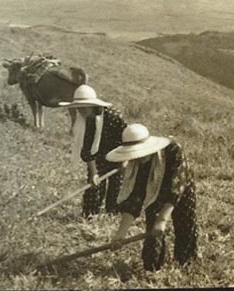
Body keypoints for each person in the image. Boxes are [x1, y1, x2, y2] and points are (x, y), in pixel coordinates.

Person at [105, 123, 198, 271]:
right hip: (153, 190)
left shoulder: (174, 150)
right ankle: (153, 267)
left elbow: (176, 188)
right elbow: (135, 198)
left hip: (180, 185)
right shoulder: (136, 164)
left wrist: (163, 219)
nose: (137, 157)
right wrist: (121, 233)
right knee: (153, 230)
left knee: (185, 223)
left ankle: (185, 262)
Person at [59, 84, 127, 217]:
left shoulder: (114, 116)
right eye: (78, 108)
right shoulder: (84, 121)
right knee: (94, 188)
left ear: (93, 105)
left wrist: (125, 161)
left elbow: (126, 140)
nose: (81, 111)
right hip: (98, 156)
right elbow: (87, 150)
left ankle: (112, 213)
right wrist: (94, 173)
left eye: (84, 107)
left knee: (116, 188)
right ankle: (91, 214)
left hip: (118, 154)